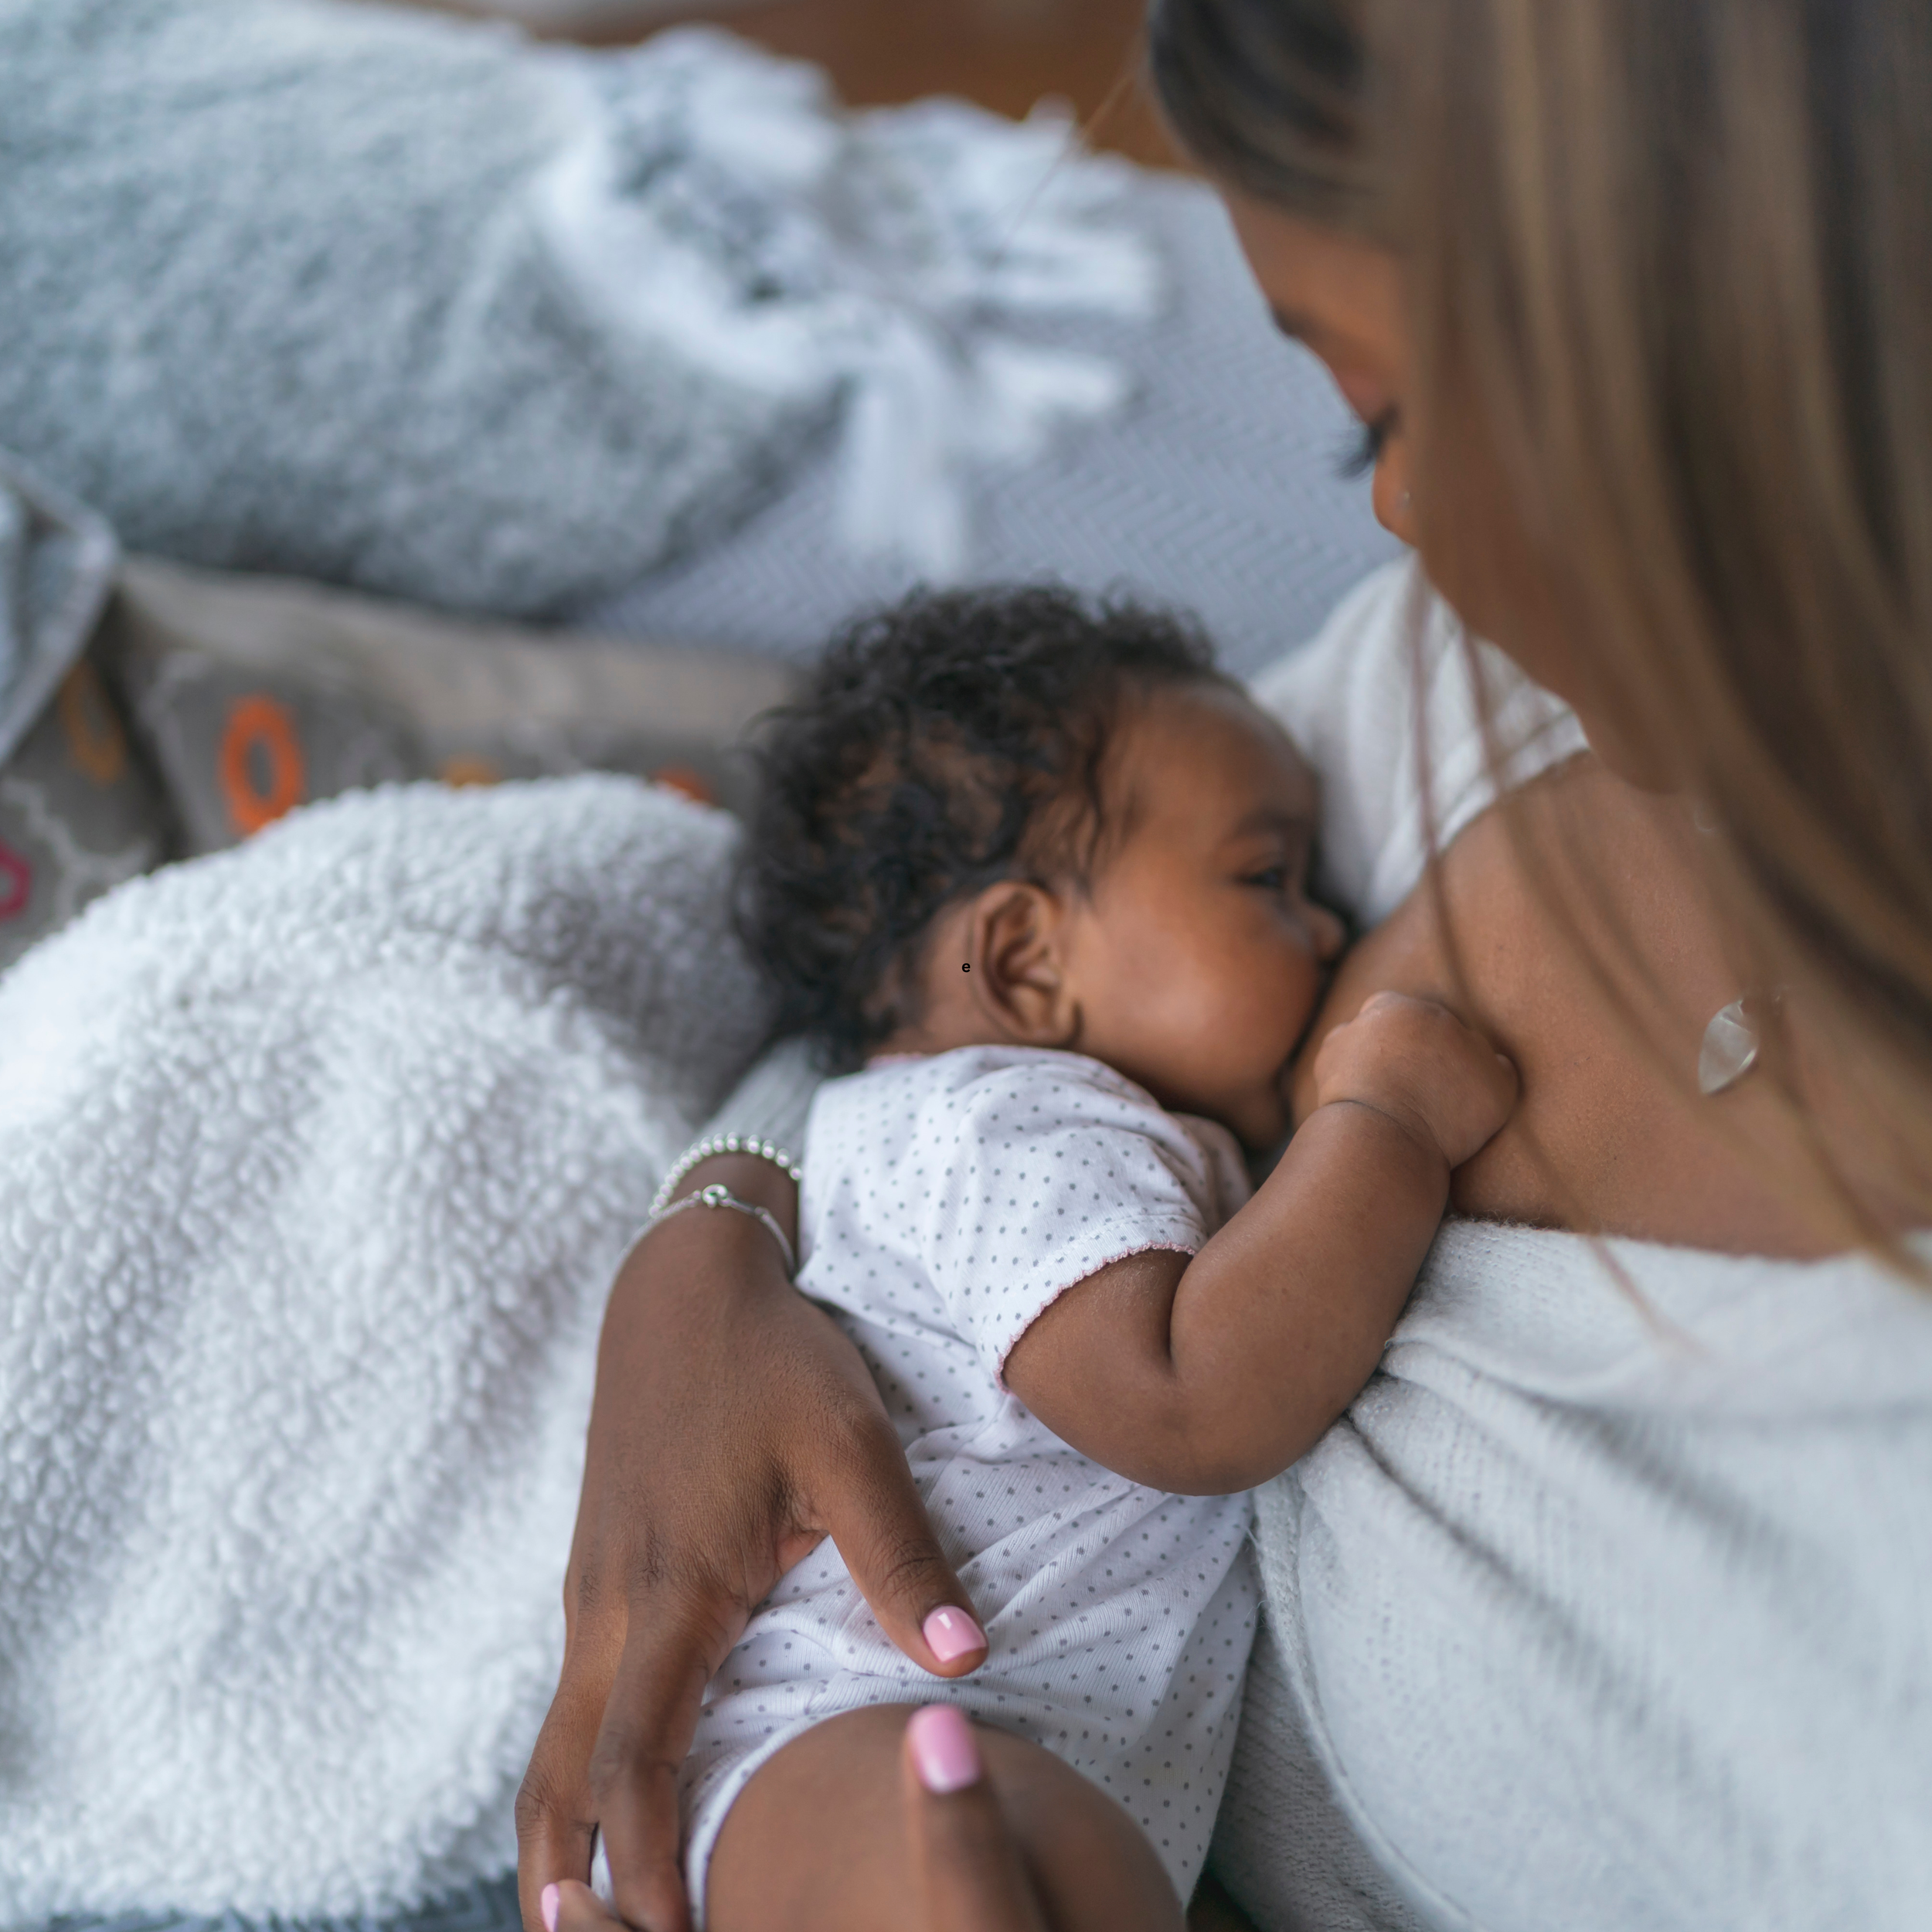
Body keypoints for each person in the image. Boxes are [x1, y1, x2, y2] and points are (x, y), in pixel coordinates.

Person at [520, 3, 1932, 1929]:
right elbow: (915, 991)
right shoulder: (1453, 686)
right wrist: (707, 1242)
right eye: (1357, 423)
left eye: (1395, 407)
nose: (1396, 519)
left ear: (1710, 316)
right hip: (860, 1734)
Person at [648, 586, 1513, 1929]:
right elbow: (1186, 1395)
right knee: (996, 1868)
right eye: (1265, 878)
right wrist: (1387, 1127)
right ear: (1026, 961)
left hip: (957, 1748)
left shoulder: (1005, 1130)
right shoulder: (1017, 1121)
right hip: (858, 1725)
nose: (1331, 928)